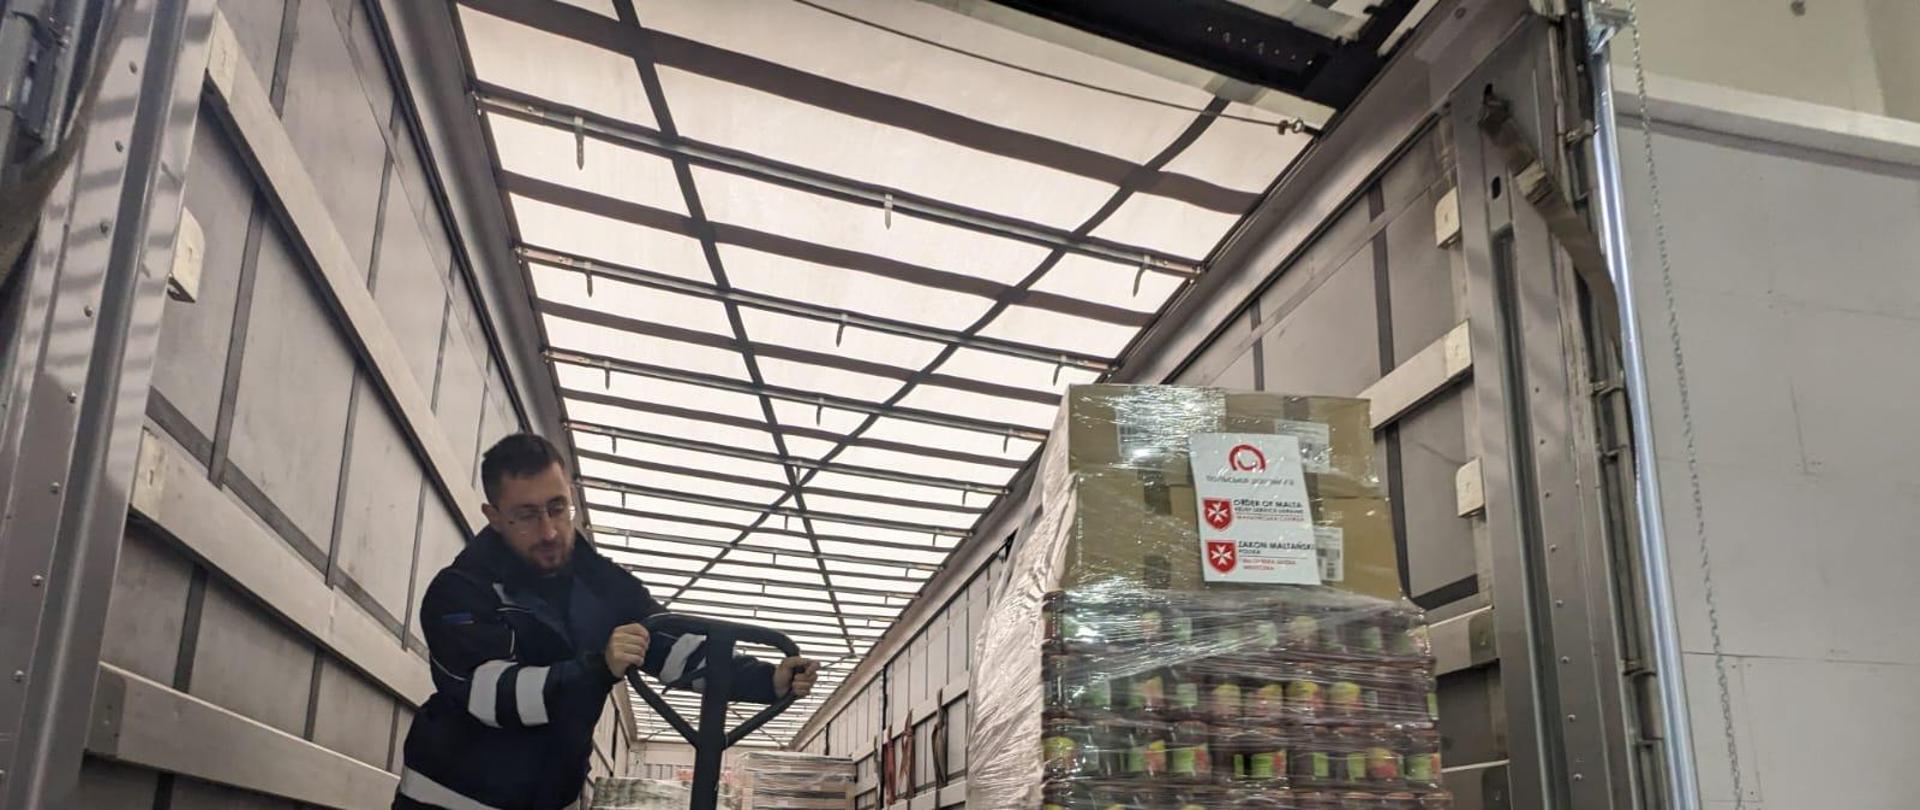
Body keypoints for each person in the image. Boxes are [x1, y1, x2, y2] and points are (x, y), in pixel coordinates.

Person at [394, 434, 817, 809]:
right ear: (493, 515)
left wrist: (766, 680)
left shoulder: (602, 584)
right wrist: (598, 668)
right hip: (449, 798)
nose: (549, 531)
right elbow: (493, 695)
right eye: (526, 515)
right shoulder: (460, 592)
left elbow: (669, 644)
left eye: (557, 508)